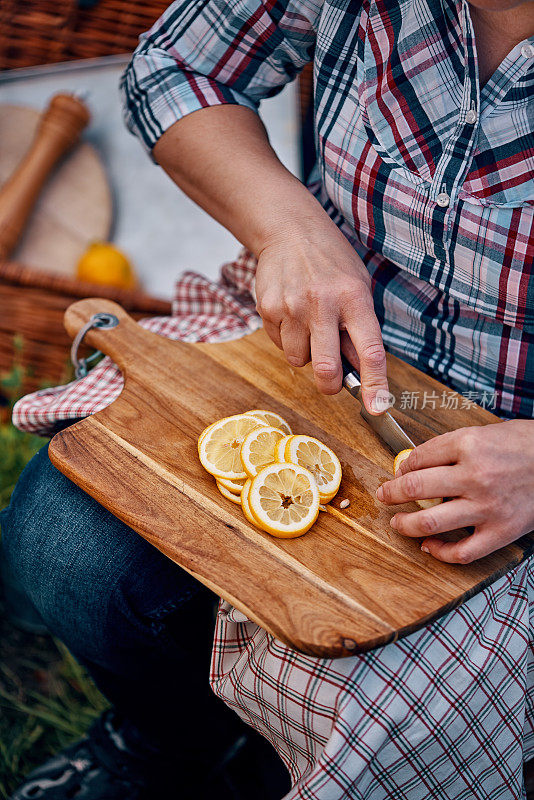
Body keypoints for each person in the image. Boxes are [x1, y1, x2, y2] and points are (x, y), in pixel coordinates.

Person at [2, 0, 533, 797]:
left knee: (395, 726)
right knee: (57, 544)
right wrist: (289, 227)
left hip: (517, 464)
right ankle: (170, 741)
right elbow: (176, 69)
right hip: (313, 365)